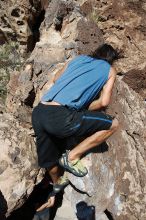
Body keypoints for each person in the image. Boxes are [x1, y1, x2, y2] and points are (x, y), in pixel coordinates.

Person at [32, 43, 119, 210]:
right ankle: (72, 157)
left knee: (49, 159)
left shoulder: (77, 59)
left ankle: (55, 187)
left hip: (39, 111)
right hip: (61, 117)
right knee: (113, 124)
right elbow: (104, 101)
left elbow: (57, 79)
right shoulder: (109, 70)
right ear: (111, 59)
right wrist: (83, 105)